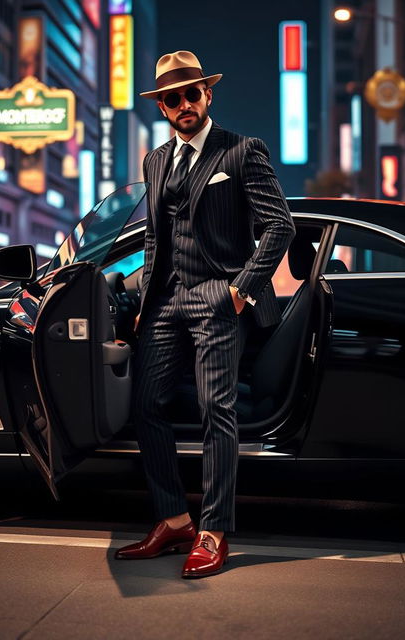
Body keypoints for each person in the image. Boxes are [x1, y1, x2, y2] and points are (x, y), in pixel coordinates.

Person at [115, 50, 295, 578]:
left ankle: (213, 531)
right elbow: (154, 237)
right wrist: (145, 297)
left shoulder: (241, 151)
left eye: (192, 93)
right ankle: (173, 520)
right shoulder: (154, 161)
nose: (183, 104)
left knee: (217, 409)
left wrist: (239, 291)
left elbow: (279, 226)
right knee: (145, 405)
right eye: (172, 98)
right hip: (167, 301)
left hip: (219, 297)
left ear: (207, 95)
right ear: (163, 107)